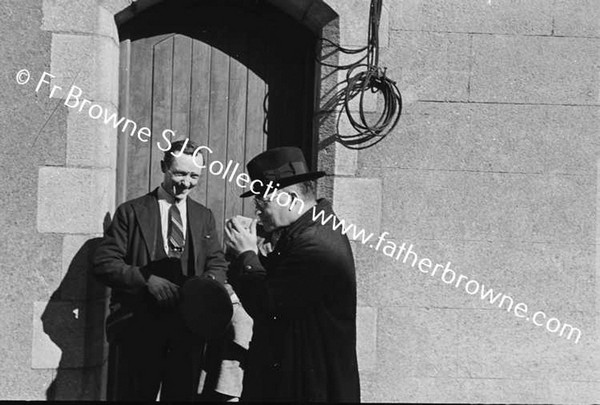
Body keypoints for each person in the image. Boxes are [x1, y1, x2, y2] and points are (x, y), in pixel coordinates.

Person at [93, 139, 229, 401]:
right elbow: (104, 263)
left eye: (194, 176)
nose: (186, 183)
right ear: (163, 167)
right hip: (140, 328)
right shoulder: (131, 212)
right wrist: (146, 279)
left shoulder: (204, 216)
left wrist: (206, 288)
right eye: (179, 173)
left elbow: (217, 262)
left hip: (188, 330)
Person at [224, 146, 361, 402]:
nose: (257, 211)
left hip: (307, 386)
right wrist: (251, 253)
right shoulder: (310, 230)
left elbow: (269, 305)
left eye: (262, 202)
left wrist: (246, 254)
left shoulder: (315, 244)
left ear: (291, 198)